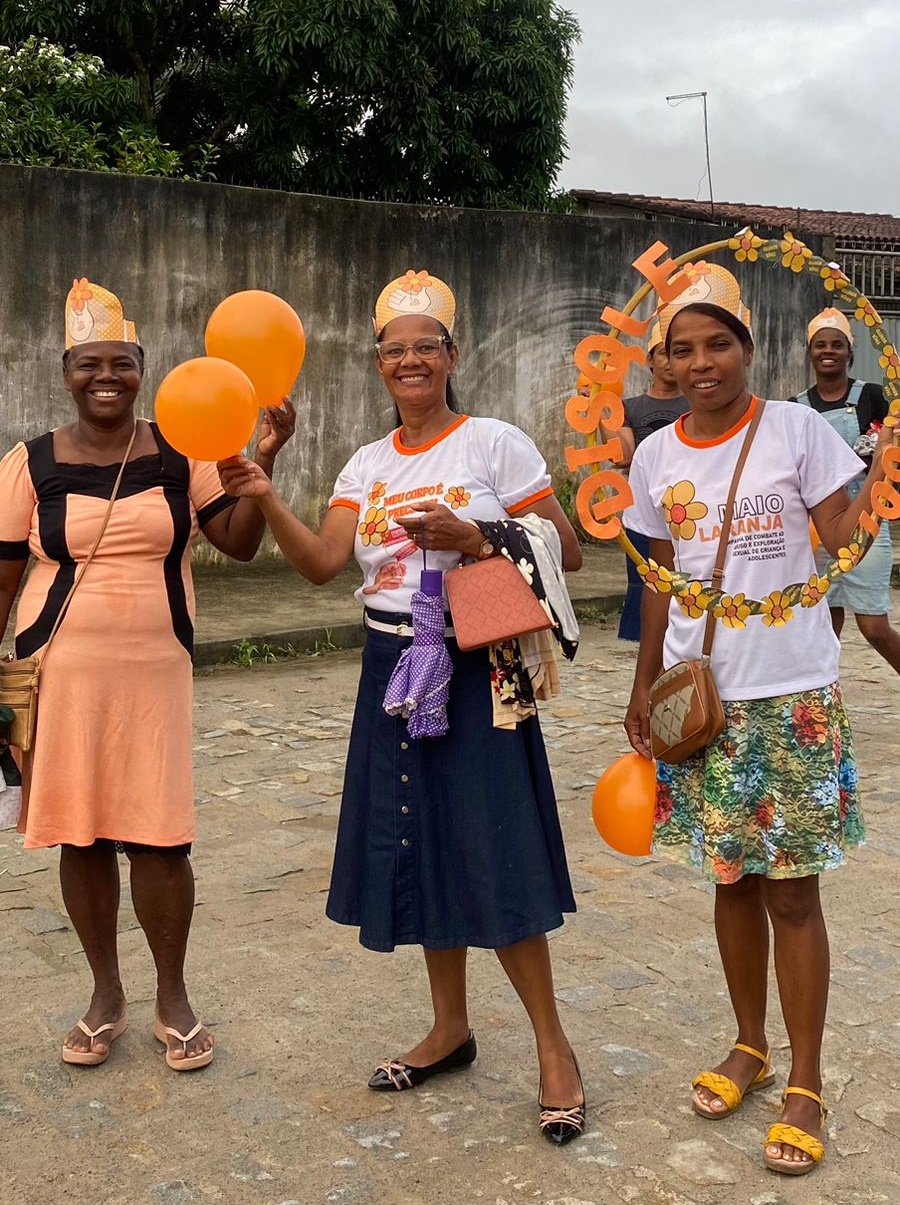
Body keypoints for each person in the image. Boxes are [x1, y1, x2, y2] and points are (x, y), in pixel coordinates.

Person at [218, 268, 587, 1144]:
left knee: (496, 848)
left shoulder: (493, 443)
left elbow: (565, 548)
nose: (412, 359)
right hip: (393, 662)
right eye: (396, 349)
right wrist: (267, 492)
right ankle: (449, 1027)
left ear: (452, 356)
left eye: (428, 345)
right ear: (378, 363)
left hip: (476, 654)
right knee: (421, 840)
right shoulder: (366, 463)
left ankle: (554, 1046)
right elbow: (318, 563)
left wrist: (478, 536)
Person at [622, 277, 891, 1176]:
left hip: (792, 690)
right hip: (703, 699)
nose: (701, 364)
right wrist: (643, 682)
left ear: (748, 346)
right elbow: (660, 576)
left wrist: (883, 478)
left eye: (718, 345)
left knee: (792, 893)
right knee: (730, 878)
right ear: (663, 361)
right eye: (683, 349)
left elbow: (839, 537)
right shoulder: (655, 454)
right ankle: (749, 1044)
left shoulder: (797, 430)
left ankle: (805, 1078)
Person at [0, 279, 295, 1069]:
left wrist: (261, 461)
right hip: (59, 670)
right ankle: (104, 994)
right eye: (89, 363)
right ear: (64, 368)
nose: (107, 377)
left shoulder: (180, 449)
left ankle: (173, 994)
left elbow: (235, 542)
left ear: (141, 366)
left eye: (121, 363)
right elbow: (1, 575)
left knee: (160, 836)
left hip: (154, 671)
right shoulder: (29, 463)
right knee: (80, 832)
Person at [791, 307, 900, 673]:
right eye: (820, 345)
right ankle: (821, 704)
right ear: (809, 352)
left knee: (874, 627)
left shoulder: (872, 396)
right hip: (816, 532)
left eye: (837, 345)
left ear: (849, 352)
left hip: (866, 523)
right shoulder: (796, 409)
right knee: (825, 627)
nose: (828, 351)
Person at [614, 321, 688, 641]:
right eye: (662, 353)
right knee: (647, 582)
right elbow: (623, 455)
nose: (669, 362)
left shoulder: (696, 405)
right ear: (649, 360)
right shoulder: (629, 407)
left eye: (675, 354)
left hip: (691, 509)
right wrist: (602, 406)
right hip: (646, 509)